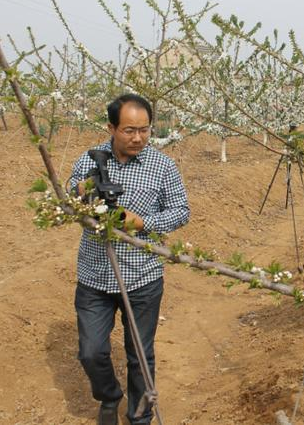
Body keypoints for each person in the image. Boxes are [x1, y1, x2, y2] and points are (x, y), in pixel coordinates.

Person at [68, 94, 190, 424]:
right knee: (91, 352)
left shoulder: (162, 166)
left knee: (139, 354)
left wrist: (142, 223)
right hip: (95, 274)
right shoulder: (90, 160)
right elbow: (68, 197)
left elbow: (181, 211)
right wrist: (82, 194)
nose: (138, 138)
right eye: (129, 130)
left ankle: (140, 416)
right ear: (111, 128)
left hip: (142, 276)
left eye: (145, 130)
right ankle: (109, 396)